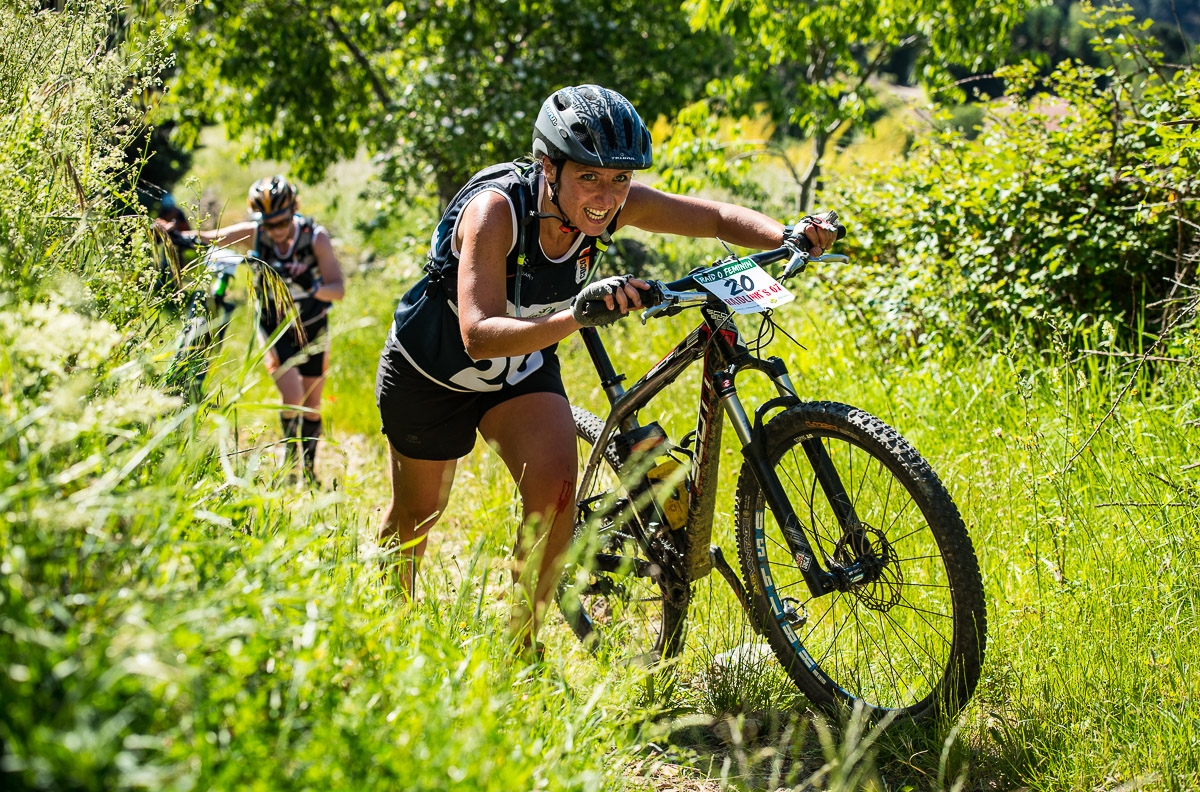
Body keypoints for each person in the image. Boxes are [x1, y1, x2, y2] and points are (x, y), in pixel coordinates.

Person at [375, 85, 837, 653]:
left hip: (520, 369)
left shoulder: (612, 205)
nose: (607, 196)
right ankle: (387, 629)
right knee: (419, 514)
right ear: (549, 165)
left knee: (556, 497)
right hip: (432, 373)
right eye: (589, 177)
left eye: (620, 179)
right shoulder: (495, 211)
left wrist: (787, 234)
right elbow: (477, 333)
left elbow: (715, 216)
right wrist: (577, 314)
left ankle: (521, 650)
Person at [161, 176, 345, 484]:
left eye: (282, 222)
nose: (276, 231)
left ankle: (310, 472)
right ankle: (290, 466)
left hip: (313, 325)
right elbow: (211, 237)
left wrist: (310, 286)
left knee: (312, 405)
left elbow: (337, 289)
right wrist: (177, 236)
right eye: (268, 224)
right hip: (274, 327)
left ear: (294, 211)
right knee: (292, 396)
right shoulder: (256, 234)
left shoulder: (315, 238)